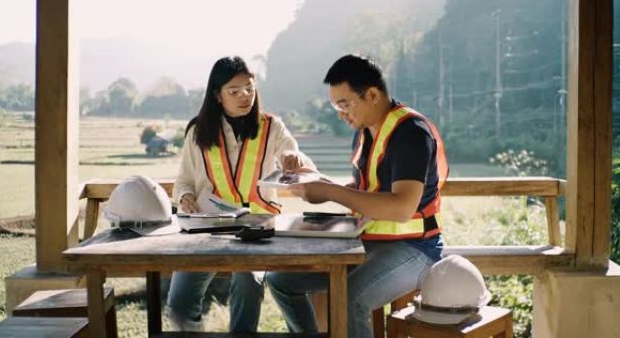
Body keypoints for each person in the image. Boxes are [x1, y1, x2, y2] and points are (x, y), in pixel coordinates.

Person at [265, 54, 449, 338]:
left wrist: (329, 191)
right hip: (367, 242)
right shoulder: (364, 132)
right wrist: (317, 183)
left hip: (415, 249)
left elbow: (401, 208)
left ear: (372, 95)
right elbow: (364, 191)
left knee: (349, 299)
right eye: (336, 106)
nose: (341, 113)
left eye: (345, 104)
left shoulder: (411, 133)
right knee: (281, 281)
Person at [168, 56, 314, 333]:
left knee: (247, 284)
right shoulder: (198, 131)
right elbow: (185, 179)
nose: (244, 96)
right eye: (234, 91)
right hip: (208, 228)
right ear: (217, 95)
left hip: (257, 227)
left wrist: (292, 156)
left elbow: (291, 152)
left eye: (249, 87)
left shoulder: (272, 126)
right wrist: (185, 196)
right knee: (179, 303)